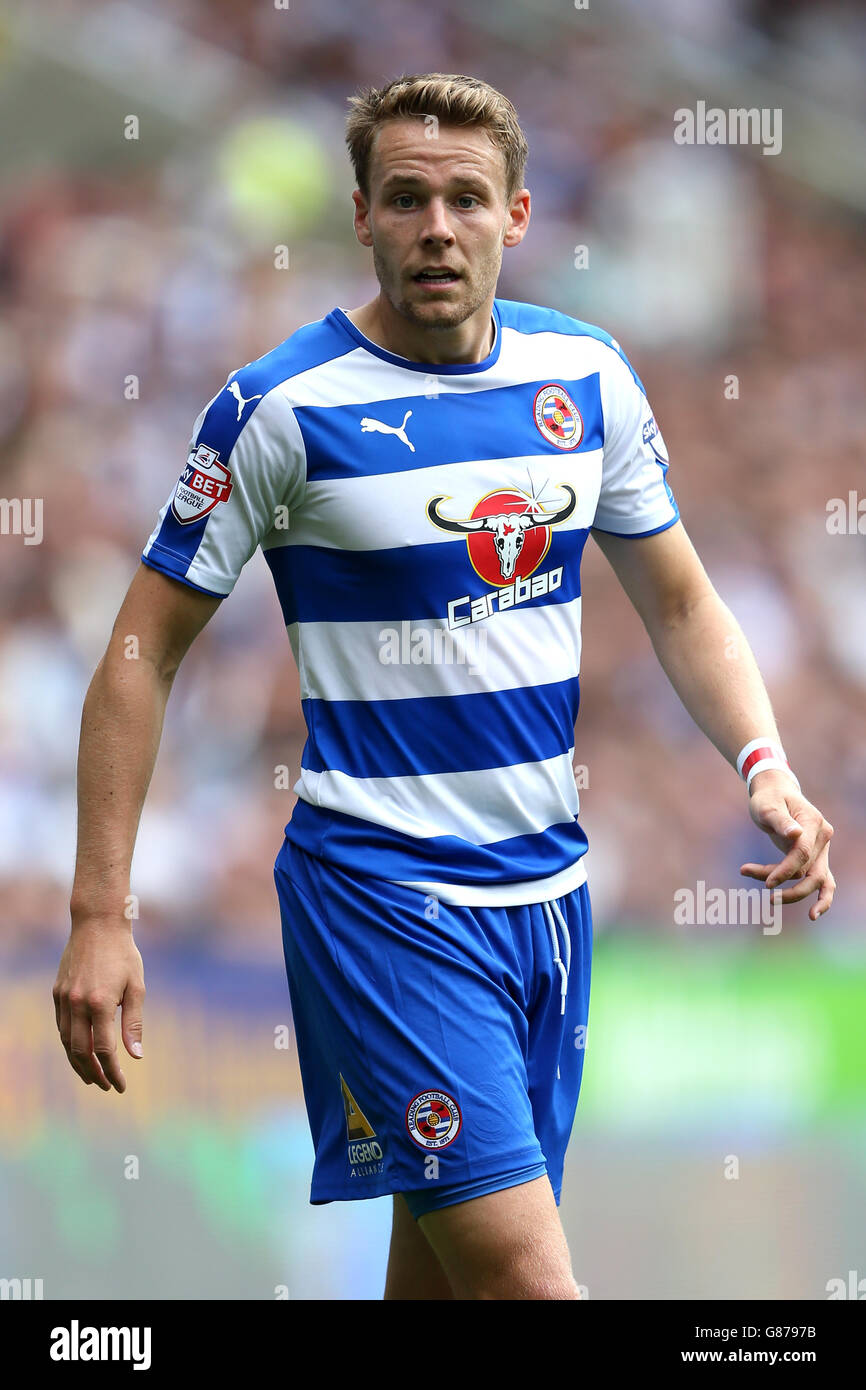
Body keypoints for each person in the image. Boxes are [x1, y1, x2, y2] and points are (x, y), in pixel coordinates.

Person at [53, 72, 835, 1302]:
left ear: (516, 216)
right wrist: (103, 910)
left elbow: (680, 601)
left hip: (549, 898)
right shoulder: (278, 409)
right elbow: (140, 650)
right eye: (405, 198)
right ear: (360, 215)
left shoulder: (585, 378)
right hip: (380, 897)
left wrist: (763, 763)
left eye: (465, 199)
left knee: (442, 1284)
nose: (436, 227)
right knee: (527, 1280)